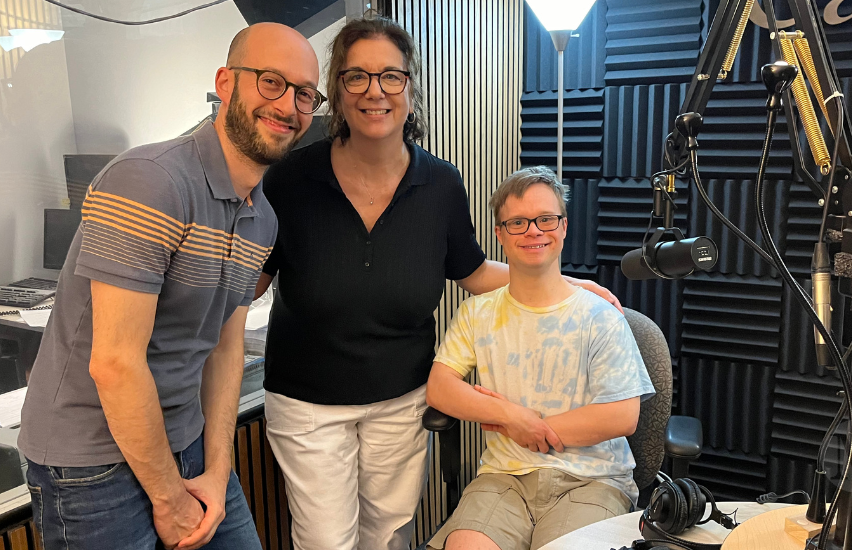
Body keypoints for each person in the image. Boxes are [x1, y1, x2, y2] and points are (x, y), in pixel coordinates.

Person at [252, 16, 623, 550]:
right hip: (308, 402)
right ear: (337, 89)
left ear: (409, 87)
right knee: (326, 540)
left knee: (389, 536)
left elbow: (473, 272)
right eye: (356, 77)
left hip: (401, 396)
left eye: (390, 76)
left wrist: (563, 286)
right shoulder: (289, 177)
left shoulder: (441, 183)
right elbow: (251, 280)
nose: (374, 91)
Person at [17, 23, 322, 550]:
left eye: (304, 95)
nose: (288, 105)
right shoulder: (150, 181)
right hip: (91, 464)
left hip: (188, 441)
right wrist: (169, 498)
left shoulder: (261, 219)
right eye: (271, 82)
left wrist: (218, 466)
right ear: (226, 83)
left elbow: (224, 350)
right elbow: (115, 364)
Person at [423, 166, 655, 550]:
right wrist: (511, 417)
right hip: (504, 478)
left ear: (563, 226)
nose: (533, 230)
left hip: (592, 481)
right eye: (517, 222)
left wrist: (532, 427)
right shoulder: (476, 313)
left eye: (545, 219)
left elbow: (621, 415)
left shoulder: (600, 316)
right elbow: (440, 389)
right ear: (499, 234)